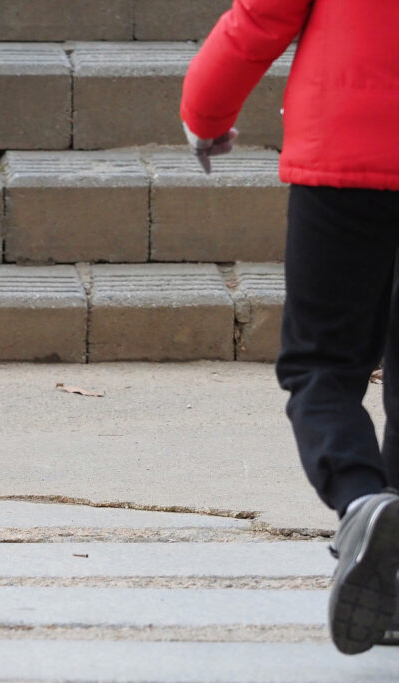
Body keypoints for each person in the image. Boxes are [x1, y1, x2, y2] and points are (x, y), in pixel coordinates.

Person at [180, 0, 399, 656]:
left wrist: (205, 110)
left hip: (343, 152)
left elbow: (263, 13)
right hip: (343, 147)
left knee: (321, 363)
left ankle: (363, 502)